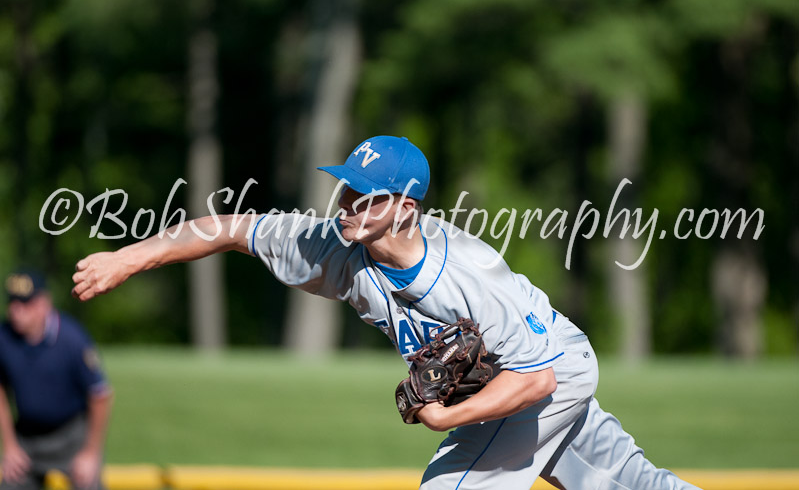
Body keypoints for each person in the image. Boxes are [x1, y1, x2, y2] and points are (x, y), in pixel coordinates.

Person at [71, 135, 698, 489]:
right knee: (630, 482)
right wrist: (128, 258)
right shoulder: (334, 247)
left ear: (405, 207)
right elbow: (232, 229)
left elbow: (538, 378)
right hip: (531, 372)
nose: (346, 202)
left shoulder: (465, 273)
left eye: (365, 195)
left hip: (546, 370)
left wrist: (448, 416)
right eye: (345, 186)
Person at [0, 270, 113, 490]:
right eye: (12, 303)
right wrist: (10, 446)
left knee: (89, 482)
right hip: (27, 436)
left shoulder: (72, 338)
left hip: (71, 435)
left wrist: (91, 453)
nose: (16, 311)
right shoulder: (4, 338)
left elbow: (100, 394)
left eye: (25, 304)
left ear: (44, 303)